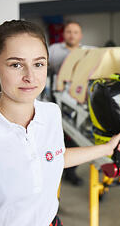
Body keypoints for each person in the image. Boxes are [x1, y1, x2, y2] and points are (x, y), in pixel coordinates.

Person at [0, 20, 120, 226]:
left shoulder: (51, 113)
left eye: (38, 64)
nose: (30, 76)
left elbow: (54, 157)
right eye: (16, 64)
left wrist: (107, 148)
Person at [47, 21, 91, 186]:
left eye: (75, 32)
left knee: (77, 134)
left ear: (80, 35)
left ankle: (69, 170)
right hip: (57, 97)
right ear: (64, 34)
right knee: (56, 135)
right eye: (68, 31)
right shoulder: (54, 50)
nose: (72, 35)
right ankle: (54, 169)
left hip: (79, 99)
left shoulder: (87, 52)